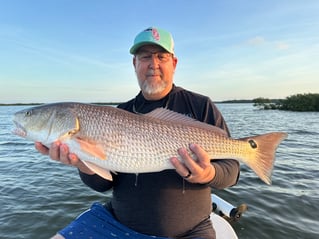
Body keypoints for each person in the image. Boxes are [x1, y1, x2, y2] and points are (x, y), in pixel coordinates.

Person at [35, 27, 240, 239]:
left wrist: (208, 174)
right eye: (145, 57)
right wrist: (81, 163)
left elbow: (232, 171)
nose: (154, 64)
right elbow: (104, 184)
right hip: (113, 223)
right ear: (135, 64)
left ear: (174, 63)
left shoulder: (201, 106)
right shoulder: (118, 113)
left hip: (190, 232)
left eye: (162, 56)